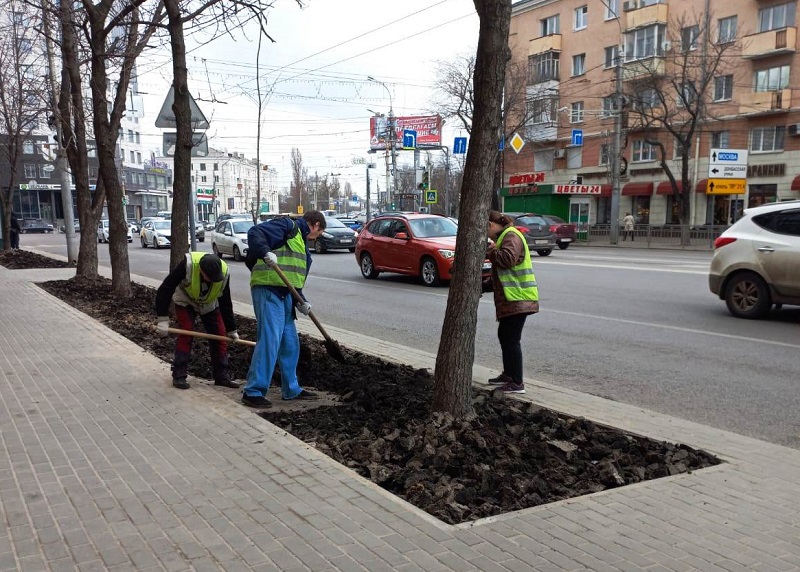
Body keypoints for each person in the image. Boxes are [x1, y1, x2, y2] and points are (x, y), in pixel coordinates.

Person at [241, 211, 326, 408]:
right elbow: (255, 233)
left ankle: (291, 389)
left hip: (286, 296)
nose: (318, 237)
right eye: (319, 232)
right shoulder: (288, 226)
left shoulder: (304, 250)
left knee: (290, 343)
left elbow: (295, 281)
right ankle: (253, 391)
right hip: (268, 288)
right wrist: (265, 252)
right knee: (270, 339)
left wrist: (302, 301)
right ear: (314, 224)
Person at [155, 252, 241, 390]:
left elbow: (225, 301)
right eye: (210, 277)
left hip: (208, 303)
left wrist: (231, 329)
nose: (213, 280)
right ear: (201, 270)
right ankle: (179, 375)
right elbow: (166, 288)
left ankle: (221, 376)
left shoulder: (224, 272)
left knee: (219, 335)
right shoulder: (188, 265)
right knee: (186, 333)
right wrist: (162, 319)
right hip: (186, 300)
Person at [485, 211, 539, 394]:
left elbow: (507, 260)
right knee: (505, 336)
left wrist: (490, 249)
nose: (487, 234)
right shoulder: (505, 237)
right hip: (513, 299)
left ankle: (517, 382)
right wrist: (482, 286)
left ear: (491, 224)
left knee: (511, 339)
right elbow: (503, 275)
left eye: (486, 230)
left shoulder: (511, 236)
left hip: (518, 298)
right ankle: (509, 375)